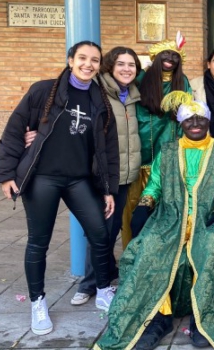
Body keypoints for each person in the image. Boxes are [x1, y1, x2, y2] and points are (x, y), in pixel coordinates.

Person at [95, 93, 214, 350]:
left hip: (208, 220)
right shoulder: (168, 151)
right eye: (189, 119)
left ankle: (202, 316)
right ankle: (159, 317)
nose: (195, 123)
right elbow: (155, 184)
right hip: (170, 219)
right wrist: (144, 205)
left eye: (200, 119)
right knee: (149, 248)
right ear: (181, 124)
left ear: (208, 122)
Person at [0, 41, 119, 335]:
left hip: (79, 180)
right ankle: (37, 302)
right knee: (39, 242)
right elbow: (15, 129)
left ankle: (102, 290)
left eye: (95, 60)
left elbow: (107, 150)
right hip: (43, 179)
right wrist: (5, 174)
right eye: (83, 58)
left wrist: (107, 188)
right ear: (70, 60)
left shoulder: (100, 101)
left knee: (100, 233)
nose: (88, 64)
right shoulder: (43, 92)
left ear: (100, 66)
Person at [71, 46, 143, 306]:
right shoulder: (97, 94)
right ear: (110, 67)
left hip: (125, 176)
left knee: (110, 231)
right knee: (98, 231)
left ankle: (106, 275)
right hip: (101, 178)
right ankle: (89, 283)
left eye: (131, 65)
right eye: (121, 64)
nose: (126, 69)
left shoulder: (133, 96)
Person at [121, 34, 192, 248]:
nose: (170, 58)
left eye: (175, 55)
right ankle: (133, 252)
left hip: (167, 158)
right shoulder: (141, 78)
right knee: (134, 207)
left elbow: (187, 118)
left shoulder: (183, 82)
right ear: (157, 55)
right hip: (140, 154)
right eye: (166, 53)